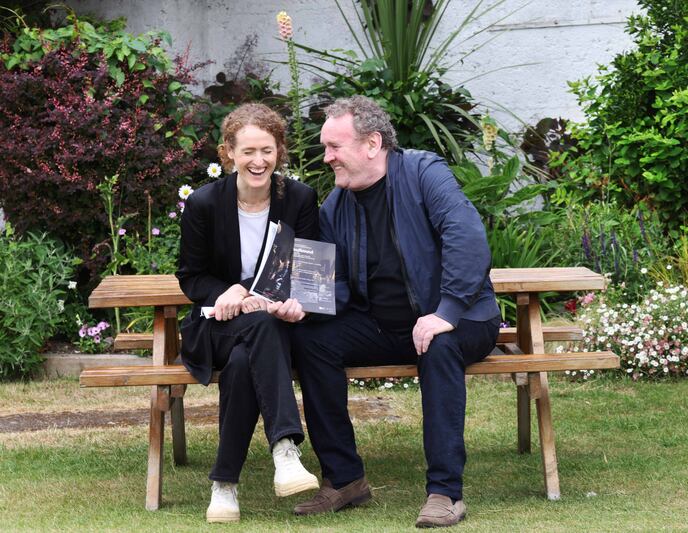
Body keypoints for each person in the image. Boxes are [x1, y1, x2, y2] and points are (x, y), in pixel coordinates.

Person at [291, 96, 500, 528]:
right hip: (385, 326)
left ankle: (445, 493)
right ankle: (345, 479)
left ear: (372, 143)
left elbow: (468, 237)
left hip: (463, 318)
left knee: (439, 346)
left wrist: (447, 311)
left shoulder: (424, 172)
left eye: (334, 146)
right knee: (311, 341)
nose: (326, 157)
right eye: (324, 147)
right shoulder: (336, 204)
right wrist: (303, 303)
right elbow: (334, 283)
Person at [177, 103, 320, 523]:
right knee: (249, 334)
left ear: (280, 151)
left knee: (246, 358)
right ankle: (285, 450)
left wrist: (298, 301)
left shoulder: (299, 198)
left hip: (276, 327)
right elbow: (190, 277)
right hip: (217, 326)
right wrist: (229, 291)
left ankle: (225, 486)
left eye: (267, 151)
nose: (258, 161)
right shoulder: (204, 203)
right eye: (248, 151)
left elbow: (309, 272)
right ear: (229, 153)